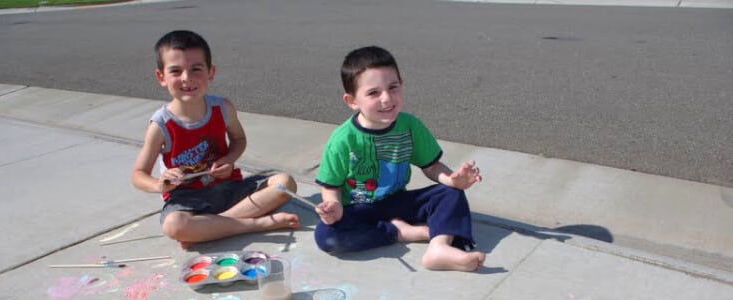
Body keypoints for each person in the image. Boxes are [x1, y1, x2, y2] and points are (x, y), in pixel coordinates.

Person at [314, 46, 486, 272]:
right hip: (358, 208)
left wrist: (453, 180)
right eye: (373, 93)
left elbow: (432, 166)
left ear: (401, 85)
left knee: (450, 194)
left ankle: (439, 247)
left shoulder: (410, 126)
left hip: (397, 200)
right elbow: (331, 186)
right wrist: (333, 206)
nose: (386, 98)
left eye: (393, 88)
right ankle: (402, 232)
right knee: (326, 235)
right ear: (352, 100)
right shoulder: (342, 140)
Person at [131, 30, 299, 249]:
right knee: (174, 225)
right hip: (189, 199)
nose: (187, 78)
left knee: (285, 184)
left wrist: (229, 159)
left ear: (210, 73)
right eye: (175, 71)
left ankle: (211, 228)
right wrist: (160, 184)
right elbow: (138, 175)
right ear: (161, 77)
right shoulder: (161, 125)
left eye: (196, 69)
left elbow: (238, 139)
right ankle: (254, 225)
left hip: (229, 188)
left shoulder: (222, 108)